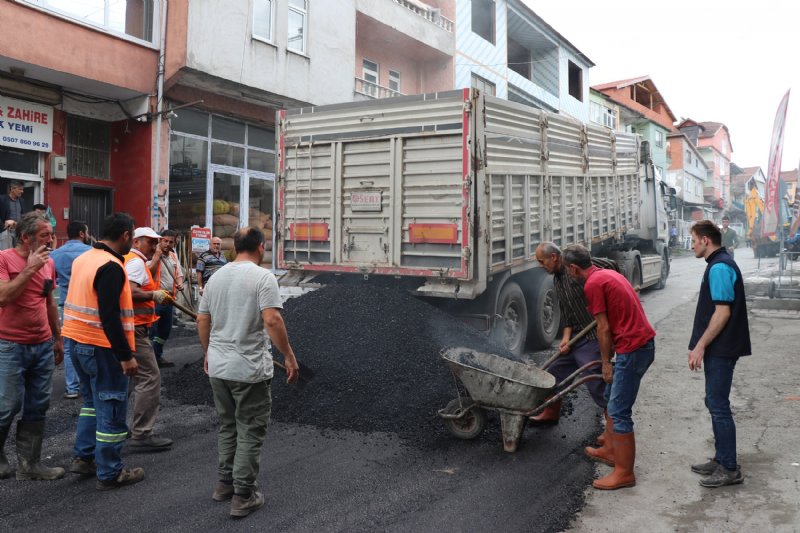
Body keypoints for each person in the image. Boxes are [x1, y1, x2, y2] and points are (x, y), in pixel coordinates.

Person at [197, 226, 299, 518]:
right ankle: (244, 494)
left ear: (234, 247)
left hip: (218, 367)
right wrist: (289, 357)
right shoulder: (262, 277)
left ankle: (224, 483)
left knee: (229, 425)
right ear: (261, 247)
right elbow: (272, 320)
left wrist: (207, 353)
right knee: (250, 429)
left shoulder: (216, 277)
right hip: (249, 369)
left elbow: (202, 320)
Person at [61, 212, 145, 491]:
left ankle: (84, 457)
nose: (131, 240)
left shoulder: (84, 258)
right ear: (125, 235)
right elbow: (109, 316)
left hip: (77, 342)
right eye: (132, 235)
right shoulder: (111, 266)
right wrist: (126, 356)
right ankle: (110, 472)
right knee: (110, 404)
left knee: (91, 403)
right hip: (101, 347)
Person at [562, 244, 656, 490]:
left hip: (634, 348)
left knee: (618, 410)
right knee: (612, 398)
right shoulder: (607, 274)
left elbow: (602, 328)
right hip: (639, 344)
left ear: (573, 268)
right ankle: (612, 451)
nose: (567, 274)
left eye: (567, 270)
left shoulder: (592, 284)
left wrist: (605, 362)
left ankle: (624, 473)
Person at [0, 212, 65, 481]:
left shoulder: (48, 264)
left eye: (50, 234)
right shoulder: (4, 259)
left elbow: (49, 302)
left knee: (38, 404)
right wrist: (30, 267)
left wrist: (58, 338)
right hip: (10, 345)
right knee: (7, 404)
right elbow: (3, 297)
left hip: (41, 345)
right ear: (26, 238)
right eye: (44, 235)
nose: (50, 240)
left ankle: (30, 464)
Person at [688, 220, 751, 488]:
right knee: (714, 402)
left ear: (705, 240)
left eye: (693, 241)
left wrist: (700, 345)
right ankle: (721, 457)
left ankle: (729, 468)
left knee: (719, 406)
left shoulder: (720, 267)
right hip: (721, 347)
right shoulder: (718, 263)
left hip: (721, 349)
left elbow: (722, 312)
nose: (691, 246)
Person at [530, 242, 607, 433]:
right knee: (553, 373)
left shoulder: (576, 272)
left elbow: (606, 268)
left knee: (594, 378)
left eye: (542, 261)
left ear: (554, 257)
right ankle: (550, 412)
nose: (541, 265)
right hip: (575, 335)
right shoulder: (556, 279)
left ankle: (614, 430)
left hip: (592, 334)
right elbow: (567, 314)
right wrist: (565, 338)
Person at [124, 227, 174, 450]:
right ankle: (142, 433)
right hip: (135, 329)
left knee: (125, 379)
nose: (154, 246)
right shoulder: (135, 262)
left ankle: (116, 426)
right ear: (136, 241)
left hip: (129, 328)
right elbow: (130, 292)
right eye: (149, 242)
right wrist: (153, 295)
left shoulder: (132, 259)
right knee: (150, 377)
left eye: (156, 242)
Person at [50, 220, 91, 399]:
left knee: (68, 346)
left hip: (67, 304)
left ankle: (72, 388)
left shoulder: (55, 254)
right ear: (82, 233)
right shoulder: (91, 253)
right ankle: (88, 385)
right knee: (90, 345)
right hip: (88, 305)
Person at [148, 229, 184, 368]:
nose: (168, 244)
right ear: (159, 240)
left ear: (174, 243)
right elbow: (148, 273)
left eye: (171, 242)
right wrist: (156, 256)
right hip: (155, 298)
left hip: (169, 299)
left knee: (165, 330)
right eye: (165, 241)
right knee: (152, 330)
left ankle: (157, 355)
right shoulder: (151, 255)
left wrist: (180, 283)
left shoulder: (174, 256)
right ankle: (149, 360)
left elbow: (179, 274)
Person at [0, 180, 26, 250]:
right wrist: (3, 227)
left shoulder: (22, 201)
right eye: (20, 189)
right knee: (6, 253)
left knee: (18, 252)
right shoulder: (2, 199)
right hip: (6, 231)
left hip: (18, 231)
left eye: (22, 189)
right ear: (12, 189)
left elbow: (23, 215)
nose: (22, 191)